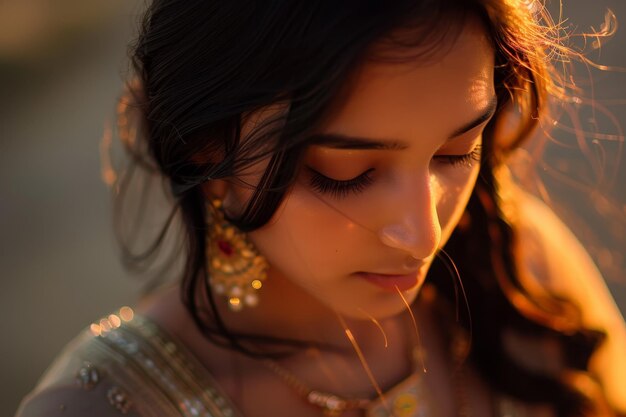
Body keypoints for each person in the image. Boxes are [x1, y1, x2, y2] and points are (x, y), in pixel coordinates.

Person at [15, 0, 626, 416]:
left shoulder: (518, 275)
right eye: (348, 174)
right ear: (206, 150)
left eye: (456, 152)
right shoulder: (105, 405)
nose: (423, 232)